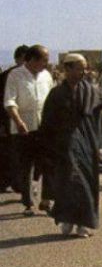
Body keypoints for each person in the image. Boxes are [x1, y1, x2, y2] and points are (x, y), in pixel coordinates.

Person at [38, 54, 100, 238]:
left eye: (84, 68)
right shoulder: (56, 94)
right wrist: (47, 145)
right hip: (63, 143)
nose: (83, 72)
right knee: (69, 181)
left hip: (86, 141)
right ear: (67, 69)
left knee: (86, 181)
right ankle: (68, 219)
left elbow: (96, 120)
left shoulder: (90, 91)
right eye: (79, 68)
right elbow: (47, 122)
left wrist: (99, 144)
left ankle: (83, 223)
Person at [3, 44, 54, 216]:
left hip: (44, 127)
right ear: (32, 60)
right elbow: (10, 101)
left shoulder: (46, 76)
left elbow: (52, 99)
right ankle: (28, 202)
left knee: (48, 163)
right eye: (44, 60)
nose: (47, 63)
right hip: (23, 128)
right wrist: (18, 121)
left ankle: (46, 200)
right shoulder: (15, 75)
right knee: (26, 166)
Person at [0, 45, 29, 192]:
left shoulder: (29, 76)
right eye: (24, 59)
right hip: (7, 122)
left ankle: (18, 183)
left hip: (24, 123)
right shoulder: (6, 76)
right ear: (17, 59)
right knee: (7, 154)